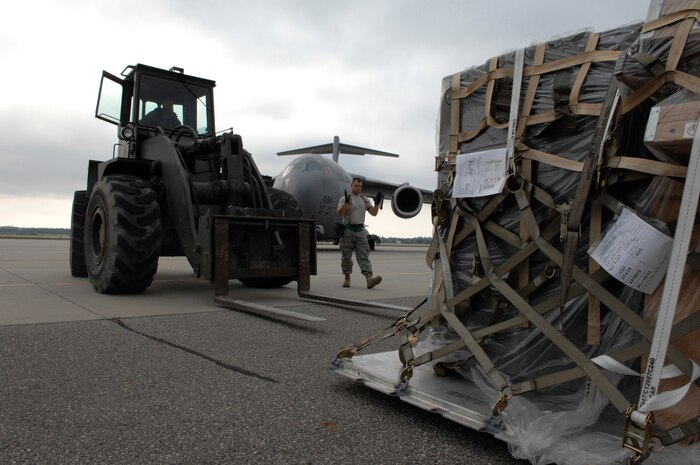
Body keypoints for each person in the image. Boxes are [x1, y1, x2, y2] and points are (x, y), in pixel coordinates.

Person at [336, 177, 384, 289]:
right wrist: (346, 205)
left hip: (361, 231)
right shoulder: (345, 198)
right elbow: (339, 213)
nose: (358, 188)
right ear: (351, 185)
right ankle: (347, 278)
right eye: (356, 186)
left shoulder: (364, 199)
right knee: (346, 256)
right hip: (348, 229)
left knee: (364, 256)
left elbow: (373, 213)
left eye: (360, 186)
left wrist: (376, 204)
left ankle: (369, 279)